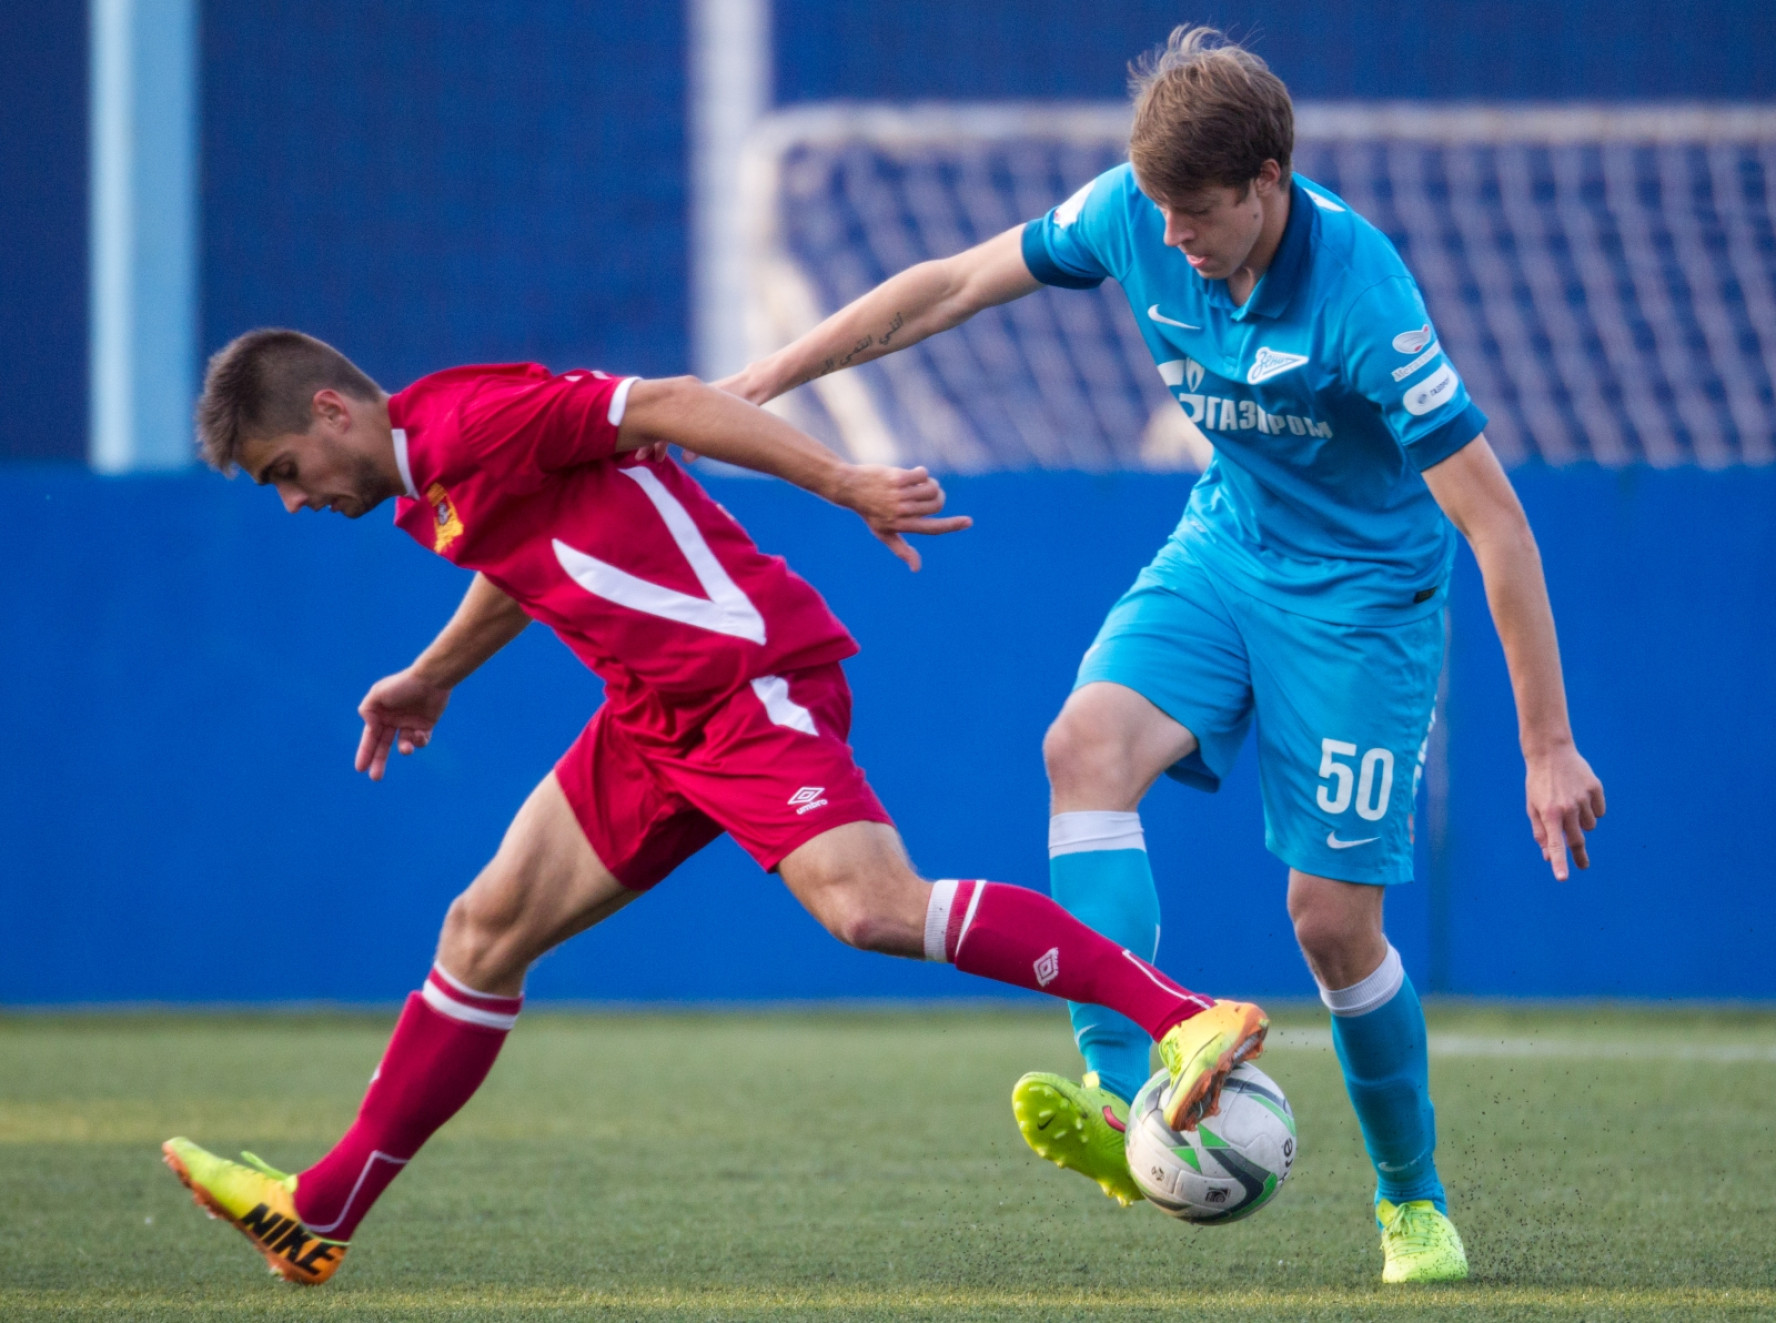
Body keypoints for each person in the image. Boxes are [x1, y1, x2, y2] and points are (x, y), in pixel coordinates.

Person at [718, 26, 1606, 1285]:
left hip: (1363, 601)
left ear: (1268, 182)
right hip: (1225, 546)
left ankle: (1411, 1202)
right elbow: (952, 284)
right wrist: (763, 380)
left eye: (1198, 214)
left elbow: (1495, 520)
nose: (1174, 239)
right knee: (1081, 745)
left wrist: (1547, 743)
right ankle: (1130, 1085)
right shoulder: (1132, 214)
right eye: (1159, 211)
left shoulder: (1364, 296)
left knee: (1333, 924)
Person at [159, 329, 1269, 1285]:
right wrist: (436, 672)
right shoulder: (433, 476)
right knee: (482, 932)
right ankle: (325, 1208)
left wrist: (846, 483)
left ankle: (1182, 1016)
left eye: (284, 471)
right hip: (651, 717)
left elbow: (672, 406)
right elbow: (519, 556)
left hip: (747, 680)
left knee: (873, 909)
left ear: (329, 408)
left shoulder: (471, 419)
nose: (297, 498)